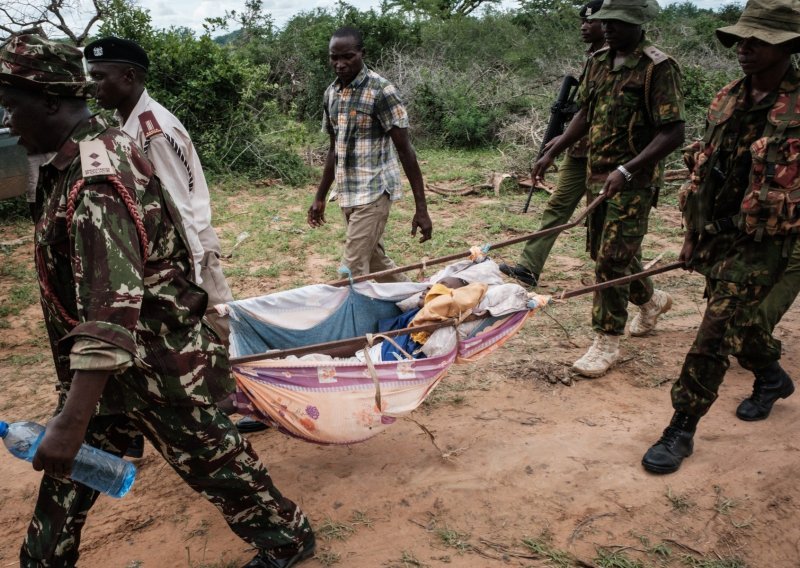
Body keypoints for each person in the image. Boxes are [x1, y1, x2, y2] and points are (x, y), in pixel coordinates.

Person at [0, 34, 314, 568]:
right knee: (66, 478)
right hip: (106, 369)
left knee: (215, 462)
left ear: (50, 100)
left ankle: (288, 538)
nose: (6, 120)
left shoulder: (97, 177)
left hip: (154, 362)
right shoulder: (77, 157)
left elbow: (112, 307)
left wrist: (71, 420)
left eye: (10, 103)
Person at [642, 0, 800, 474]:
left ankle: (681, 427)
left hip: (770, 239)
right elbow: (706, 174)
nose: (744, 49)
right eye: (741, 39)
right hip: (719, 233)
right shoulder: (727, 97)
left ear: (789, 45)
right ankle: (770, 377)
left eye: (758, 41)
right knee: (744, 325)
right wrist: (693, 235)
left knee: (715, 328)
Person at [82, 37, 267, 434]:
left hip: (191, 249)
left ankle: (256, 402)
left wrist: (193, 272)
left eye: (100, 76)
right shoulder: (124, 124)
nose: (92, 84)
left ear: (128, 76)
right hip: (170, 255)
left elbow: (178, 206)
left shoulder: (152, 131)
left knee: (220, 324)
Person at [531, 0, 685, 377]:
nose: (610, 28)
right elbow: (586, 111)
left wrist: (629, 169)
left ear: (638, 24)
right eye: (606, 22)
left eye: (619, 22)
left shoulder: (657, 68)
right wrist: (558, 147)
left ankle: (606, 340)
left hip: (635, 180)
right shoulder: (598, 61)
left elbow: (673, 131)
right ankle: (651, 300)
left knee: (612, 258)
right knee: (606, 250)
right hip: (597, 175)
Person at [307, 26, 433, 282]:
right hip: (347, 192)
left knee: (349, 271)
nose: (340, 64)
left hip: (374, 192)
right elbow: (335, 148)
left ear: (362, 53)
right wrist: (319, 197)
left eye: (348, 56)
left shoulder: (381, 91)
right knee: (376, 262)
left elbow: (406, 151)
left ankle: (355, 322)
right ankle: (414, 301)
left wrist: (422, 208)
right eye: (334, 57)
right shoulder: (331, 93)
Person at [500, 0, 606, 287]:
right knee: (557, 207)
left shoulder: (618, 61)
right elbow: (584, 111)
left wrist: (560, 142)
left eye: (591, 21)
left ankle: (641, 292)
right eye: (582, 21)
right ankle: (528, 268)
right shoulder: (593, 58)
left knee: (606, 226)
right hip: (580, 149)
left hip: (608, 156)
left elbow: (602, 116)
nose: (584, 26)